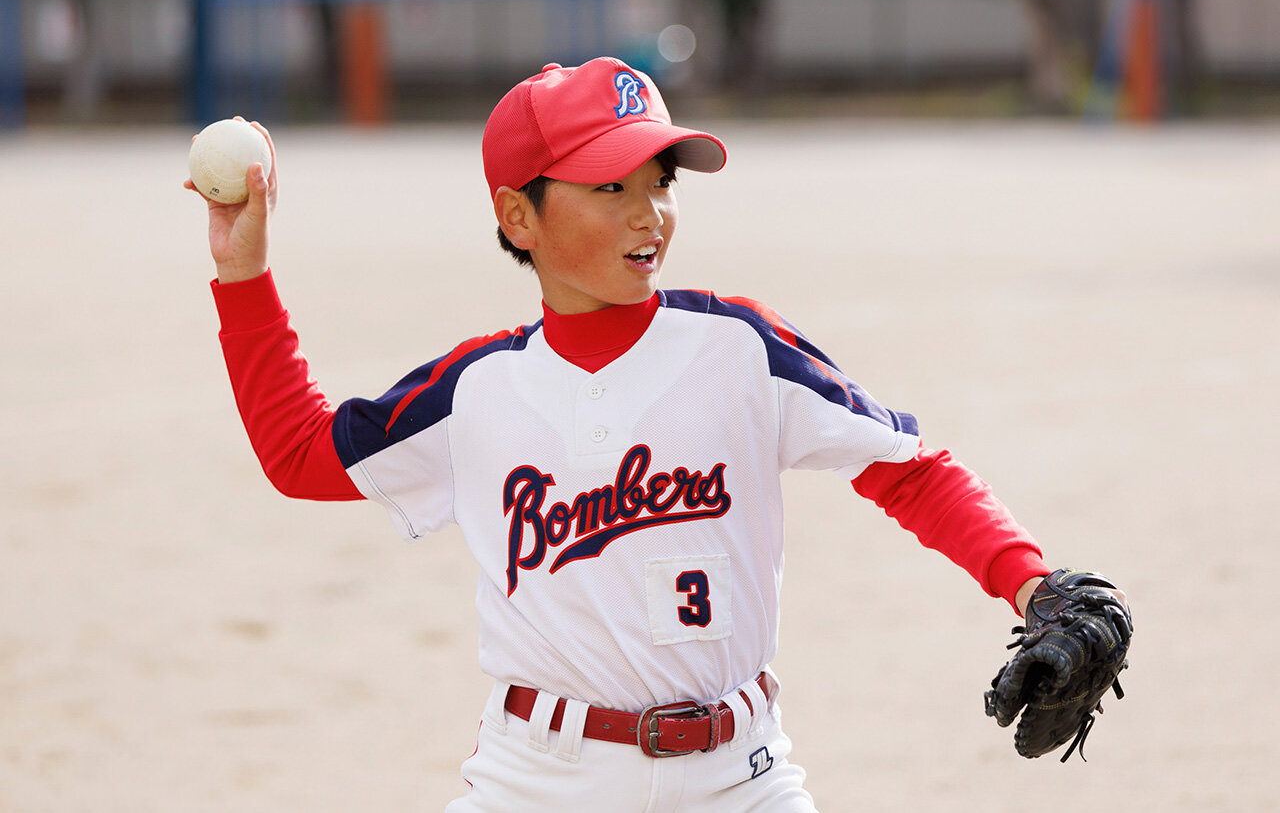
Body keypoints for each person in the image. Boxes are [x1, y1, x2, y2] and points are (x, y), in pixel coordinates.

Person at [189, 58, 1055, 811]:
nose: (650, 214)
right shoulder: (478, 390)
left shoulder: (739, 346)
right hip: (540, 779)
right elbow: (302, 455)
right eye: (611, 187)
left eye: (661, 181)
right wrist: (244, 273)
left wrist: (1037, 587)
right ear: (517, 217)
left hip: (740, 776)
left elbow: (908, 471)